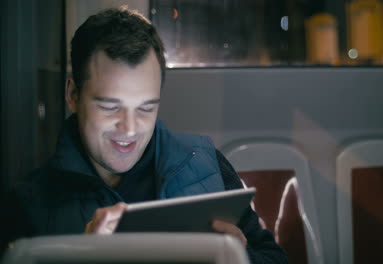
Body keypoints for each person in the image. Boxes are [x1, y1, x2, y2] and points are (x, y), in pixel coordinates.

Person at [0, 6, 288, 263]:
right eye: (111, 107)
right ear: (73, 94)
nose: (129, 129)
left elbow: (274, 259)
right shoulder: (29, 205)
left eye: (146, 108)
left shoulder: (206, 162)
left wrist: (241, 257)